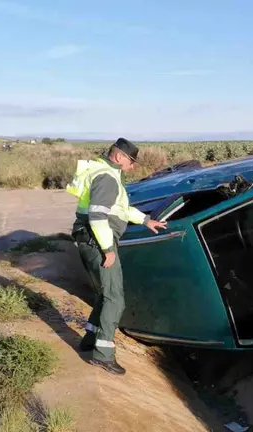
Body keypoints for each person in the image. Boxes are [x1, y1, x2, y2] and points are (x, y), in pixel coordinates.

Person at [65, 137, 168, 375]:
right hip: (98, 242)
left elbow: (119, 209)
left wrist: (145, 220)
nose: (132, 167)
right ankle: (103, 355)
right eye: (131, 161)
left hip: (90, 240)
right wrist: (108, 249)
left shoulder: (102, 172)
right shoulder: (107, 178)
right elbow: (98, 217)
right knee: (115, 299)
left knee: (105, 293)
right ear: (119, 156)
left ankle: (90, 340)